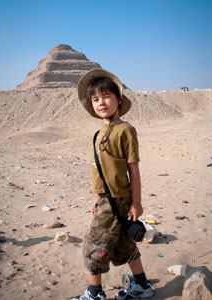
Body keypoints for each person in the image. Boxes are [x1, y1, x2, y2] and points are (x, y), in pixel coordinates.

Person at [75, 69, 154, 300]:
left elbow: (133, 169)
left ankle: (94, 293)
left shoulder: (126, 130)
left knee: (93, 246)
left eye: (106, 96)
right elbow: (101, 172)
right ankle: (142, 286)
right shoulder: (98, 133)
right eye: (95, 99)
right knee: (124, 245)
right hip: (104, 200)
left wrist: (136, 203)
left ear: (119, 99)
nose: (101, 103)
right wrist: (97, 198)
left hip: (119, 200)